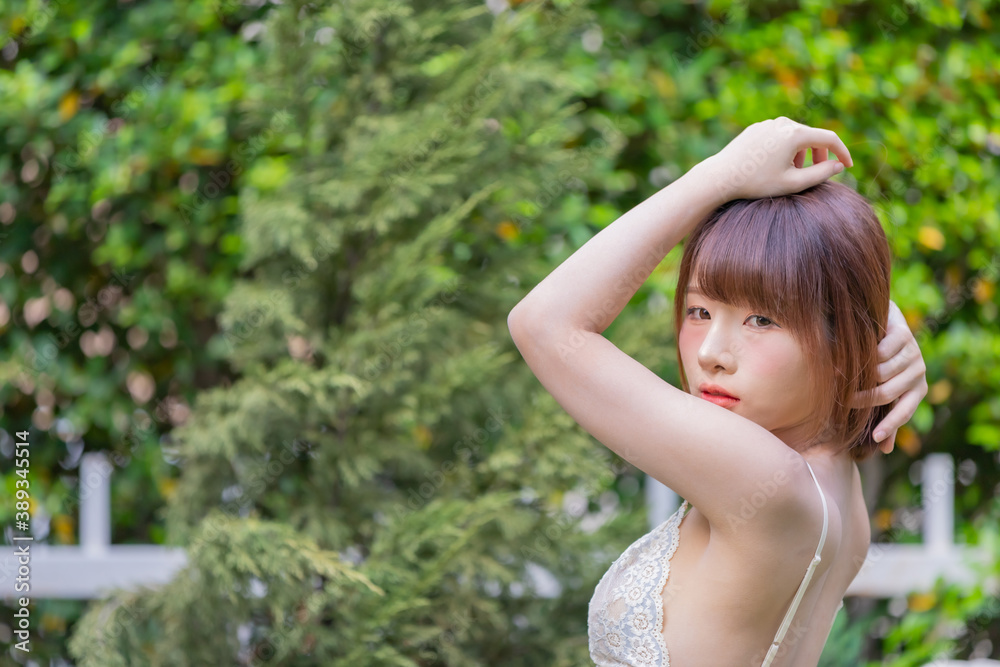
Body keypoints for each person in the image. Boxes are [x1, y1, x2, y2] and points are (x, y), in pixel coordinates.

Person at [506, 117, 929, 665]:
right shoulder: (835, 488)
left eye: (761, 321)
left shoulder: (764, 479)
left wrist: (720, 174)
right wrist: (878, 321)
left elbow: (543, 325)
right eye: (699, 311)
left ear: (840, 336)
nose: (711, 352)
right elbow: (834, 307)